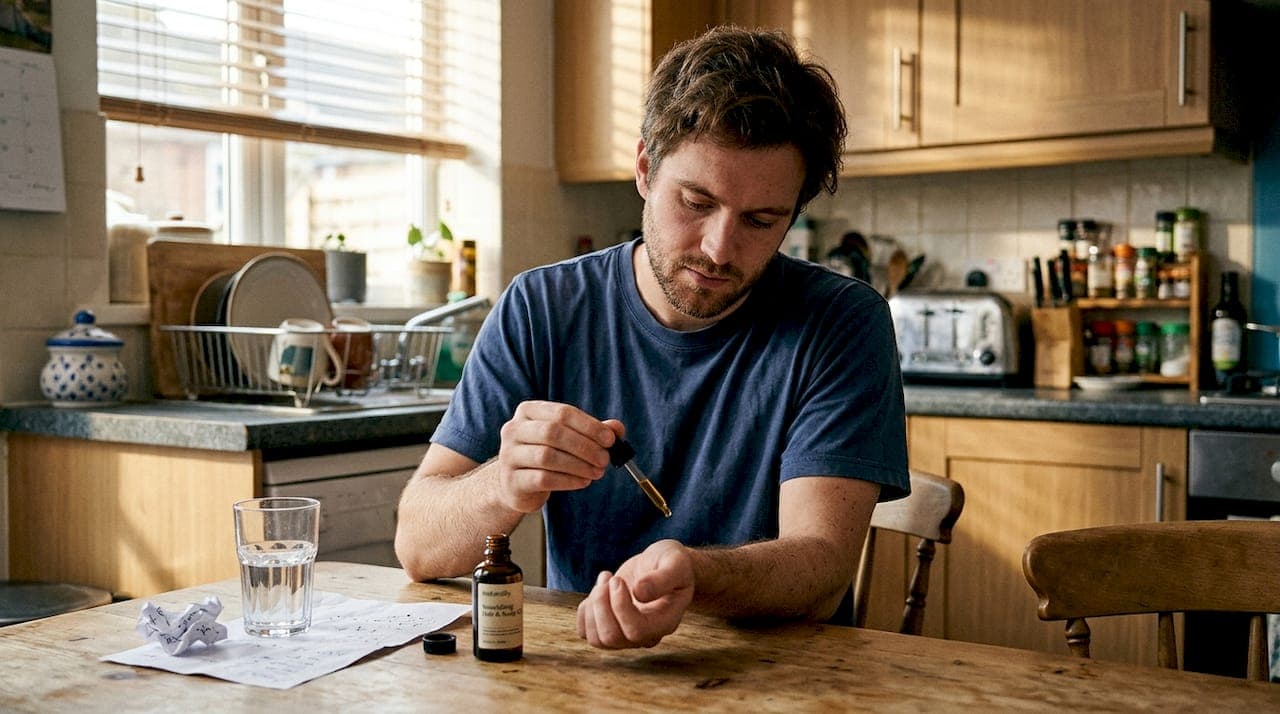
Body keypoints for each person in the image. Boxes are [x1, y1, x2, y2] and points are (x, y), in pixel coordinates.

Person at [394, 25, 909, 649]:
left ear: (794, 213)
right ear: (644, 168)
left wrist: (697, 575)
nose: (719, 249)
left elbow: (823, 568)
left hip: (783, 678)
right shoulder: (541, 307)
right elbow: (417, 544)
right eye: (695, 201)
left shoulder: (842, 322)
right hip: (587, 674)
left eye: (760, 220)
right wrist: (504, 480)